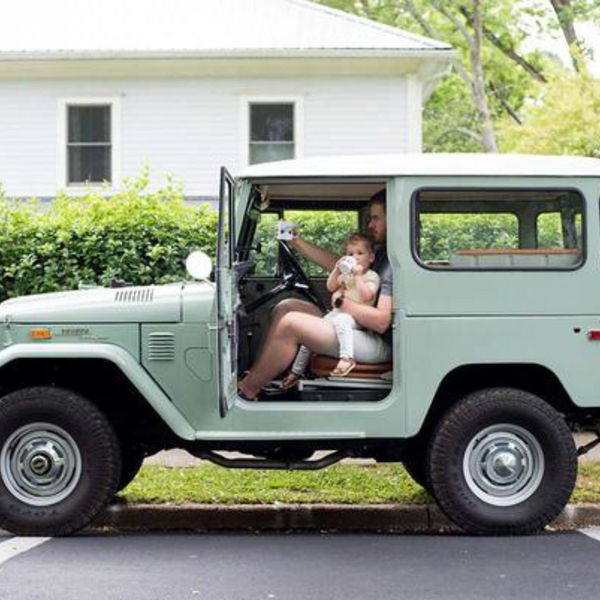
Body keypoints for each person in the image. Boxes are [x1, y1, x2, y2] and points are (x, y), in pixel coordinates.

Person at [238, 190, 392, 401]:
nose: (370, 225)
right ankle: (262, 374)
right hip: (351, 324)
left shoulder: (392, 263)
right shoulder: (382, 253)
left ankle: (246, 390)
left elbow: (382, 322)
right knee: (286, 306)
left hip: (373, 341)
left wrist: (341, 302)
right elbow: (336, 263)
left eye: (375, 218)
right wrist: (297, 242)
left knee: (291, 324)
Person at [281, 232, 380, 387]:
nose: (355, 257)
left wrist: (359, 276)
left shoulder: (371, 276)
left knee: (342, 321)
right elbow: (331, 286)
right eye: (350, 254)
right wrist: (336, 269)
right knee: (311, 332)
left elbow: (367, 295)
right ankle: (296, 372)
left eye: (360, 253)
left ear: (371, 258)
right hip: (339, 313)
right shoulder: (347, 276)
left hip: (359, 318)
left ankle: (347, 359)